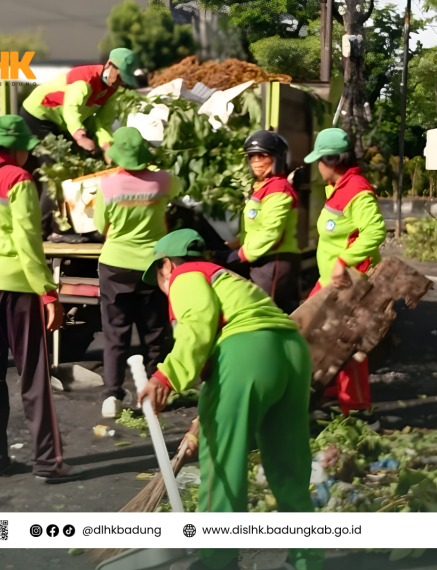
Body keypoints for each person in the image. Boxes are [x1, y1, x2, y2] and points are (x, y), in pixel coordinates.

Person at [136, 229, 322, 570]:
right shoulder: (226, 277)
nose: (164, 286)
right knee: (288, 465)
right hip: (291, 353)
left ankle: (217, 559)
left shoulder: (185, 275)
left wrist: (165, 376)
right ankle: (305, 560)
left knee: (222, 464)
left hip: (247, 351)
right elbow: (222, 373)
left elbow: (198, 326)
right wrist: (199, 426)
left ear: (166, 265)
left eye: (159, 277)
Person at [0, 115, 81, 483]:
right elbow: (27, 240)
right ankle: (47, 463)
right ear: (15, 147)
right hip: (16, 290)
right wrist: (48, 292)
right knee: (34, 377)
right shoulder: (17, 178)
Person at [93, 127, 177, 418]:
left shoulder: (107, 185)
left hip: (115, 265)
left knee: (116, 335)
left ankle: (111, 396)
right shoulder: (162, 180)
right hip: (152, 266)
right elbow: (179, 190)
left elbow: (99, 226)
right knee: (155, 332)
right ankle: (156, 393)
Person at [303, 128, 386, 415]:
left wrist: (343, 260)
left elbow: (375, 230)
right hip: (329, 283)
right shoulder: (339, 187)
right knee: (318, 338)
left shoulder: (357, 191)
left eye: (319, 160)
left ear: (331, 161)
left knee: (348, 348)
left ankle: (358, 410)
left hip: (350, 283)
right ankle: (330, 393)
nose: (317, 166)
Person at [224, 129, 301, 313]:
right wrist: (235, 245)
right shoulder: (263, 187)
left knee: (268, 317)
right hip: (262, 260)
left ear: (277, 158)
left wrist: (241, 254)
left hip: (274, 263)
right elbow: (256, 227)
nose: (256, 162)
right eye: (252, 157)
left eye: (263, 156)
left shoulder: (278, 189)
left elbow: (271, 232)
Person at [19, 47, 139, 154]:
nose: (119, 83)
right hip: (39, 114)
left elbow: (102, 121)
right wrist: (80, 136)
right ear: (108, 64)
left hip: (63, 123)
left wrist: (106, 144)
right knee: (53, 159)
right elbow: (70, 108)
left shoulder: (111, 91)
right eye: (118, 76)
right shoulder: (85, 80)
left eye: (123, 80)